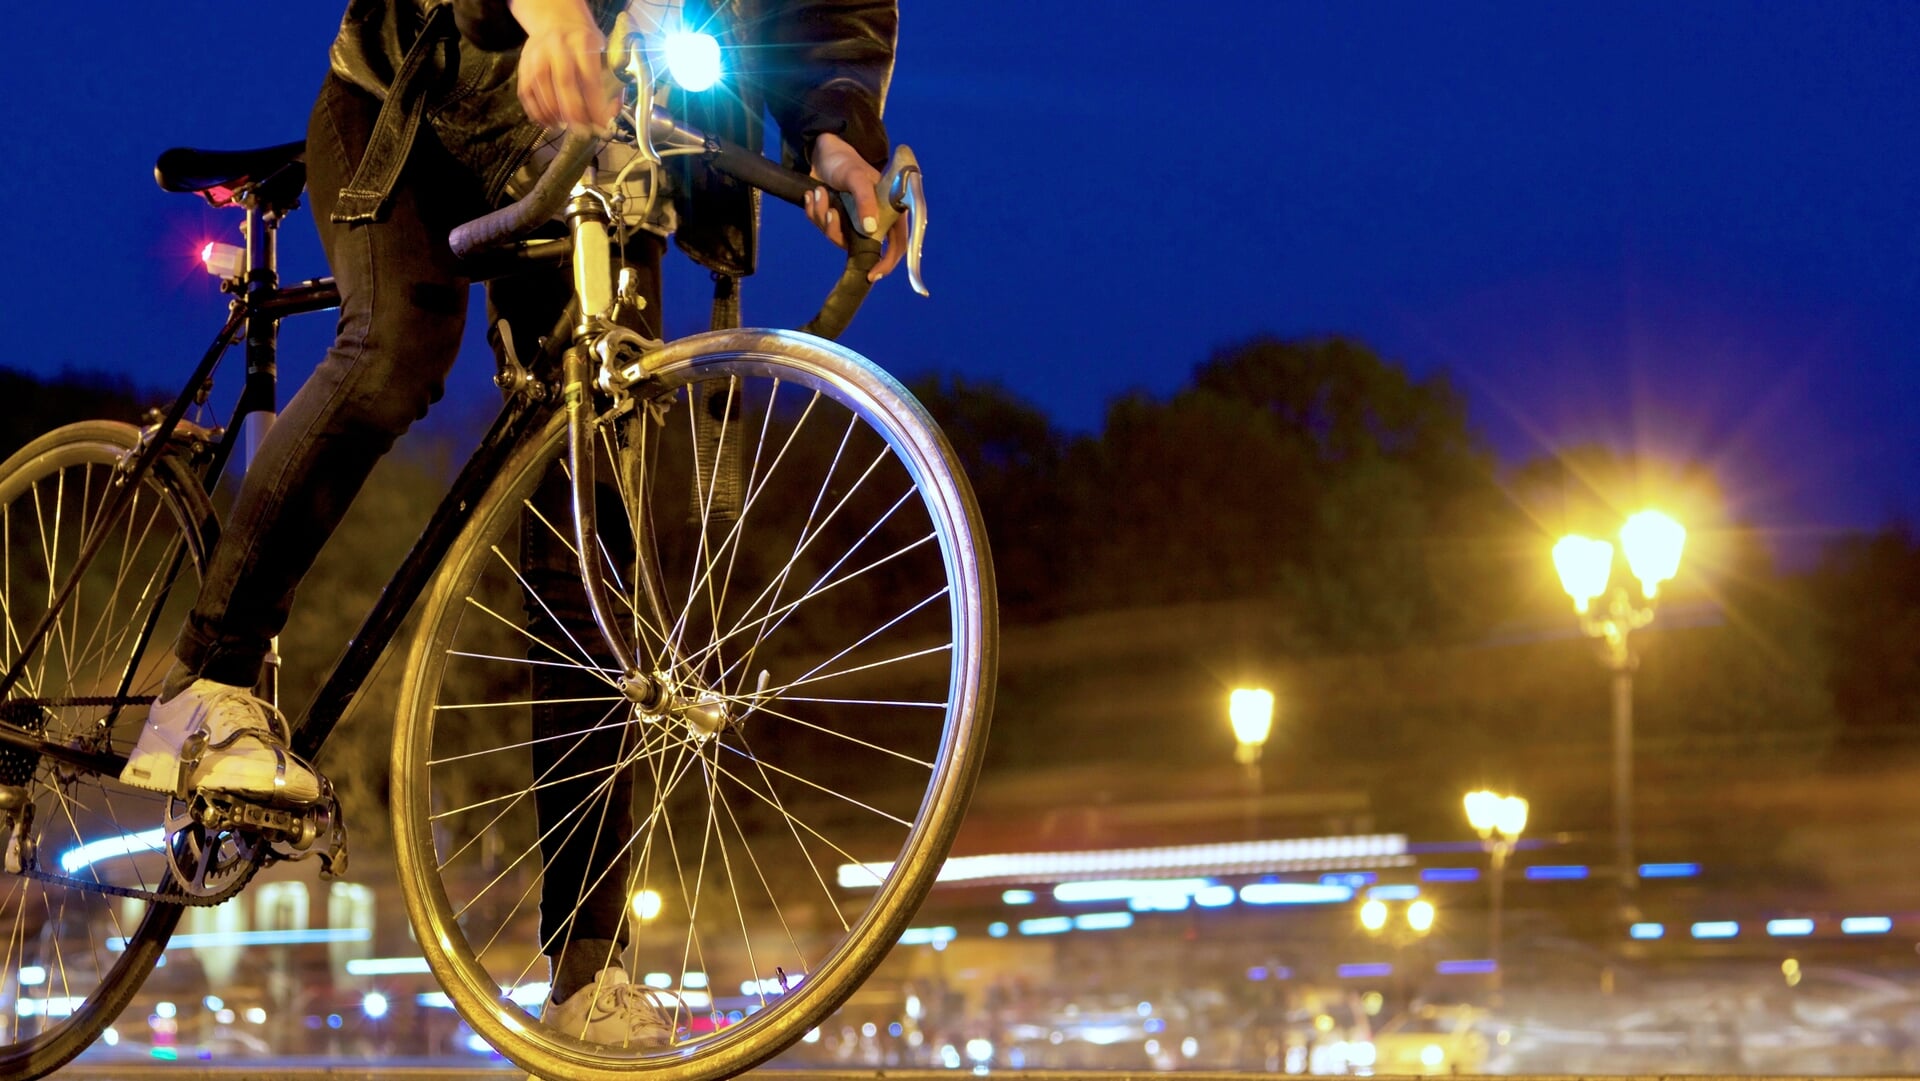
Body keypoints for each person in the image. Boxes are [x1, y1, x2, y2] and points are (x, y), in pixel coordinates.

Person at [116, 0, 906, 1047]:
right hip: (414, 104)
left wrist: (842, 136)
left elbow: (827, 20)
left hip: (604, 153)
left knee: (595, 521)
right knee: (397, 349)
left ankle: (589, 970)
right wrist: (549, 15)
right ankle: (204, 687)